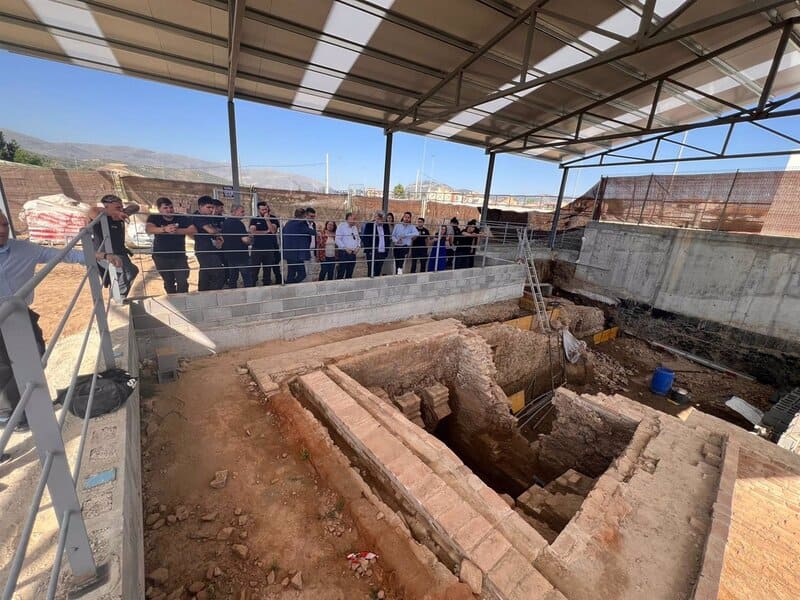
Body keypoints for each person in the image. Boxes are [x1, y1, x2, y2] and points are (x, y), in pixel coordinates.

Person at [0, 211, 122, 436]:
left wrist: (101, 255)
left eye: (5, 224)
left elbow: (64, 255)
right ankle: (11, 414)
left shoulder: (23, 249)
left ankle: (25, 406)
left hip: (19, 315)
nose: (3, 230)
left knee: (36, 356)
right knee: (4, 368)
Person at [91, 195, 140, 298]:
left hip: (120, 252)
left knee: (129, 272)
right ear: (106, 206)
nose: (121, 209)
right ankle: (117, 298)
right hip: (105, 254)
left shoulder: (121, 215)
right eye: (117, 207)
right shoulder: (100, 216)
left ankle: (118, 296)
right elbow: (92, 210)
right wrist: (114, 213)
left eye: (121, 207)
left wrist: (122, 212)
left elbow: (136, 207)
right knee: (128, 272)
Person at [145, 197, 194, 294]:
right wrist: (164, 229)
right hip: (161, 256)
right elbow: (149, 229)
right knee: (169, 282)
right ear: (159, 209)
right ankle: (173, 300)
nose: (169, 210)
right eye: (165, 208)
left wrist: (177, 231)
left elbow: (193, 230)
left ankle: (183, 300)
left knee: (182, 281)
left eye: (171, 207)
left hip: (179, 256)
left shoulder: (181, 217)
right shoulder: (154, 217)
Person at [192, 196, 226, 291]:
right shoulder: (198, 217)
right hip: (204, 250)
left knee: (205, 275)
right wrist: (219, 232)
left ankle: (204, 294)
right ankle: (211, 294)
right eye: (209, 207)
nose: (211, 210)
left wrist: (218, 235)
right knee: (220, 274)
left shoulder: (207, 217)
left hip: (210, 248)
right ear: (200, 206)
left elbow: (214, 231)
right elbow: (211, 230)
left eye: (212, 207)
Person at [249, 201, 281, 285]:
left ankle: (266, 286)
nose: (265, 211)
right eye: (263, 210)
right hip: (257, 248)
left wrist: (267, 220)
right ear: (259, 210)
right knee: (254, 271)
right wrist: (266, 231)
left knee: (267, 271)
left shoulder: (273, 218)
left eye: (266, 209)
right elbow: (252, 232)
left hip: (269, 248)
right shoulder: (254, 219)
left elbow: (273, 231)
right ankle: (251, 286)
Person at [222, 205, 254, 288]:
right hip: (241, 255)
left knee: (233, 277)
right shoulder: (238, 223)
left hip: (230, 254)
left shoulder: (225, 222)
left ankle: (232, 294)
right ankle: (250, 295)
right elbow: (245, 240)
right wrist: (251, 237)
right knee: (247, 277)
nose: (244, 214)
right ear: (234, 212)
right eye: (242, 212)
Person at [282, 208, 313, 283]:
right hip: (297, 254)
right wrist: (316, 232)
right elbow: (310, 231)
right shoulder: (301, 223)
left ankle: (289, 287)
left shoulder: (288, 223)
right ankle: (290, 285)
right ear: (304, 215)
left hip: (289, 253)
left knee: (291, 274)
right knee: (302, 274)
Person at [361, 211, 391, 278]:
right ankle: (369, 285)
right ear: (375, 218)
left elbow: (387, 239)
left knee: (378, 270)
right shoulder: (370, 225)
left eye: (381, 218)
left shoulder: (386, 225)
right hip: (372, 252)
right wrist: (369, 250)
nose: (379, 220)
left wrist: (386, 251)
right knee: (371, 271)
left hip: (382, 252)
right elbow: (365, 238)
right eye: (378, 218)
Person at [335, 212, 360, 279]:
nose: (355, 220)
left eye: (355, 219)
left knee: (350, 273)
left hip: (353, 253)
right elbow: (337, 239)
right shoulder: (341, 226)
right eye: (353, 219)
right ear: (348, 218)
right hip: (344, 253)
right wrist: (345, 248)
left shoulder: (354, 228)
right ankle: (339, 287)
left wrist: (358, 246)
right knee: (341, 272)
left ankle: (348, 286)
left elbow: (358, 238)